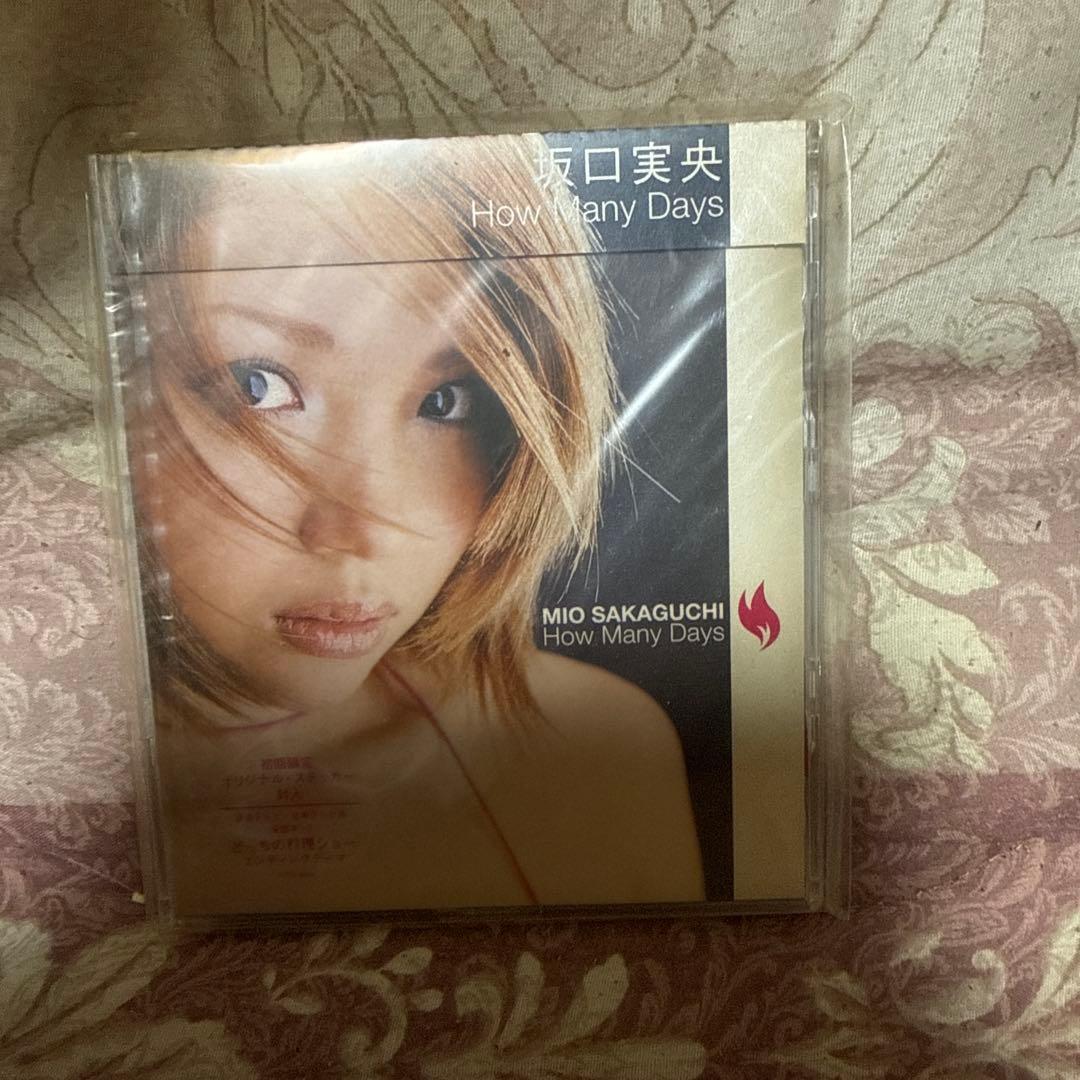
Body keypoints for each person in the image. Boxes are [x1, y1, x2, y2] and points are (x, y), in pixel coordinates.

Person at [122, 134, 704, 914]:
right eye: (257, 385)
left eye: (446, 403)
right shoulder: (59, 802)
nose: (368, 531)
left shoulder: (592, 750)